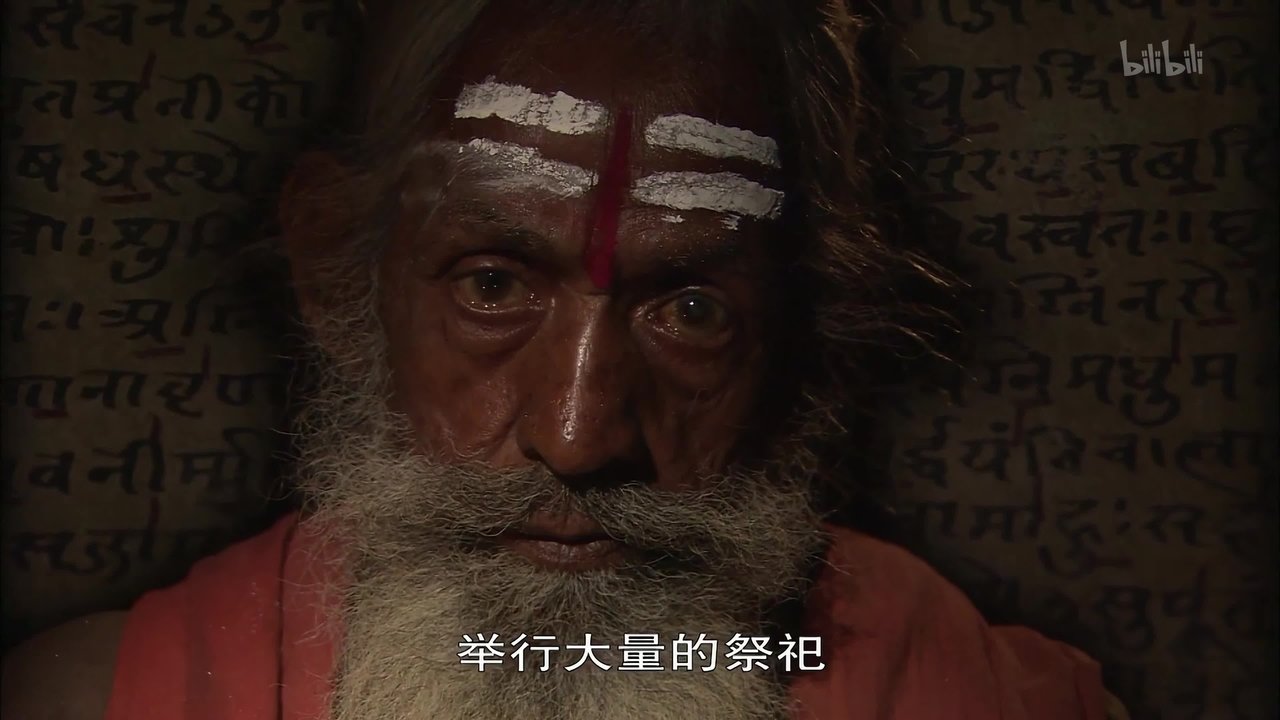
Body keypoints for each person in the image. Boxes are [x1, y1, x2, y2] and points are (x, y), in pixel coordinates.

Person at [2, 1, 1130, 718]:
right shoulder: (95, 700)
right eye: (492, 287)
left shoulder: (987, 696)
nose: (580, 435)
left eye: (691, 308)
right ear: (339, 279)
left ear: (802, 324)